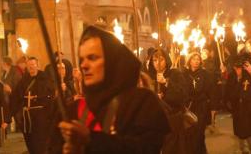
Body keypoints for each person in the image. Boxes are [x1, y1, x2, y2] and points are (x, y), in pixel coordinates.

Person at [57, 25, 170, 154]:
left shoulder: (142, 103)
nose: (84, 65)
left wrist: (91, 140)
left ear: (112, 60)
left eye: (92, 58)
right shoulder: (74, 110)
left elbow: (144, 148)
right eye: (82, 59)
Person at [148, 49, 189, 154]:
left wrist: (166, 83)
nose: (158, 63)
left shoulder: (175, 73)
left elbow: (183, 95)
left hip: (172, 120)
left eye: (161, 60)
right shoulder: (149, 77)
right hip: (154, 121)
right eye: (155, 60)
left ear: (166, 60)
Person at [11, 57, 55, 154]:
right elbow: (16, 96)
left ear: (37, 65)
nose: (31, 67)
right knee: (30, 141)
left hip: (41, 116)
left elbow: (50, 96)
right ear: (27, 66)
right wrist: (13, 113)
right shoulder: (24, 80)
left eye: (33, 65)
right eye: (29, 65)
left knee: (40, 142)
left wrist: (37, 98)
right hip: (27, 116)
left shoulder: (45, 78)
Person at [184, 51, 213, 154]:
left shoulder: (205, 74)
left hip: (201, 106)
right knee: (190, 133)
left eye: (198, 59)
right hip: (189, 107)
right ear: (189, 61)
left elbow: (210, 90)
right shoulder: (184, 74)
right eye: (194, 59)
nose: (196, 61)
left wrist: (212, 107)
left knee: (199, 133)